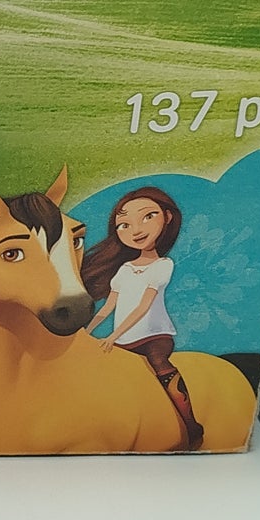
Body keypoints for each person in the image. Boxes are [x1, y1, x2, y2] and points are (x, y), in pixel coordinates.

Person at [80, 187, 203, 450]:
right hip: (124, 339)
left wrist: (112, 335)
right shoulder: (124, 269)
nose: (136, 230)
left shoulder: (162, 265)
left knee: (160, 364)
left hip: (154, 335)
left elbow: (143, 307)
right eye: (124, 224)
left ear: (167, 217)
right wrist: (86, 332)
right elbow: (108, 307)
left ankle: (190, 423)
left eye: (148, 217)